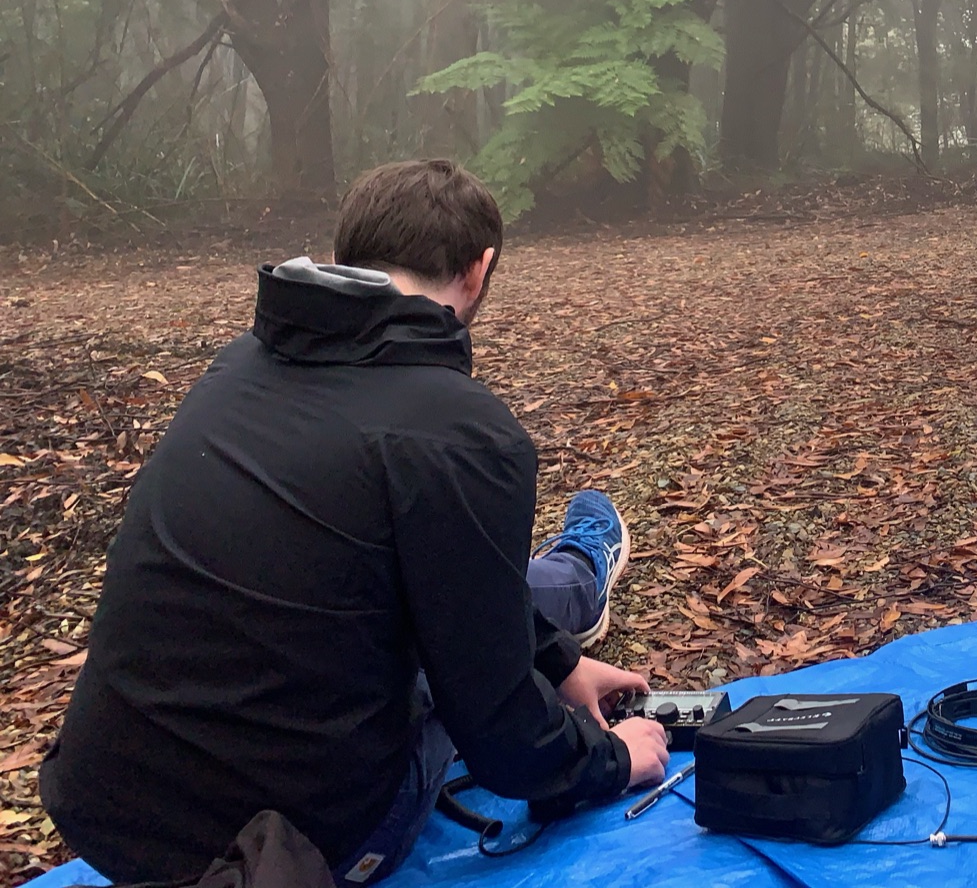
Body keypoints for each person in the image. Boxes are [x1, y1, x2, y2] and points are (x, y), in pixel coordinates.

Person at [40, 160, 670, 885]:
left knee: (416, 589)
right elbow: (505, 741)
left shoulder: (238, 366)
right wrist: (615, 757)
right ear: (478, 269)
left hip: (107, 814)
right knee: (453, 646)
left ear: (348, 258)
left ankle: (573, 598)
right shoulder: (460, 430)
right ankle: (582, 572)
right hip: (288, 848)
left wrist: (556, 664)